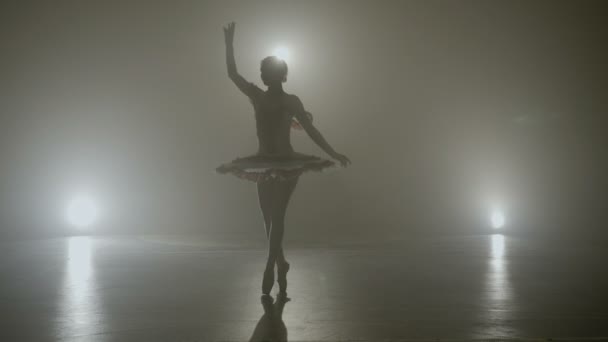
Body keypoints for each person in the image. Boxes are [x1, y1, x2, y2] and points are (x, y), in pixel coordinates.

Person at [216, 22, 351, 296]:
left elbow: (311, 130)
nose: (264, 76)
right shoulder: (256, 95)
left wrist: (332, 152)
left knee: (277, 216)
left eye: (267, 71)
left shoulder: (291, 101)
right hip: (263, 161)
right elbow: (232, 74)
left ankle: (269, 267)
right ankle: (281, 263)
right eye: (263, 72)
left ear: (279, 76)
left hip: (287, 163)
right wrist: (229, 44)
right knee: (267, 219)